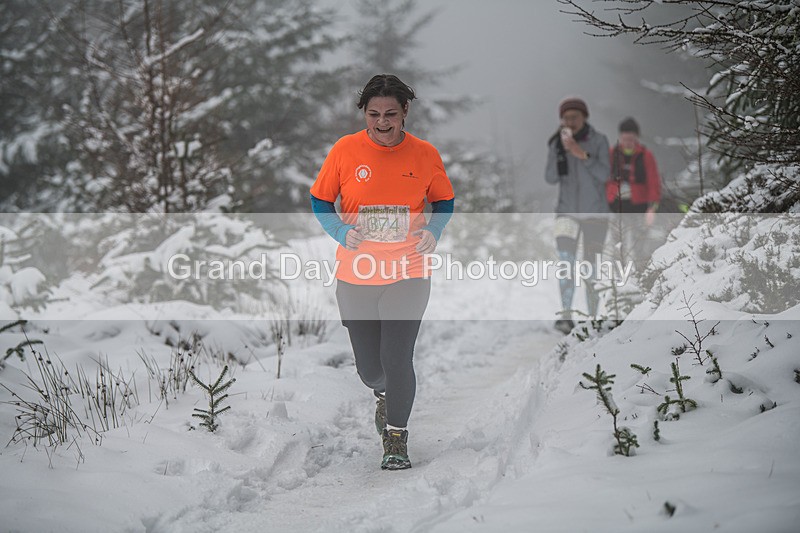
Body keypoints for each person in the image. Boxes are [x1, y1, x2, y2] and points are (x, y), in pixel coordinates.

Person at [309, 74, 455, 470]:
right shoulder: (345, 150)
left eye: (390, 113)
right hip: (357, 272)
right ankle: (384, 395)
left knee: (396, 357)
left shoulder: (424, 154)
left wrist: (434, 231)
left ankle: (396, 437)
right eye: (374, 114)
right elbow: (320, 199)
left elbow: (444, 201)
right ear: (365, 115)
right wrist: (341, 231)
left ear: (405, 111)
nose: (382, 122)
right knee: (370, 370)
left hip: (408, 270)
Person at [545, 97, 611, 334]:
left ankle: (593, 317)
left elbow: (606, 174)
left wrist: (581, 154)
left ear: (584, 117)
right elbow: (550, 177)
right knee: (566, 262)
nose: (570, 122)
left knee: (591, 265)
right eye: (566, 118)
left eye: (574, 117)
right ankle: (566, 315)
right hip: (566, 213)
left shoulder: (599, 140)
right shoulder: (556, 143)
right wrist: (560, 152)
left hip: (595, 213)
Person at [606, 117, 661, 267]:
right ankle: (618, 274)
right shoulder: (612, 154)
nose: (627, 142)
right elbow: (603, 178)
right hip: (616, 206)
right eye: (624, 139)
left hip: (639, 207)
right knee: (617, 244)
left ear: (636, 137)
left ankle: (641, 271)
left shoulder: (646, 155)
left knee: (640, 243)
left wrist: (652, 208)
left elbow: (654, 182)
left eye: (631, 139)